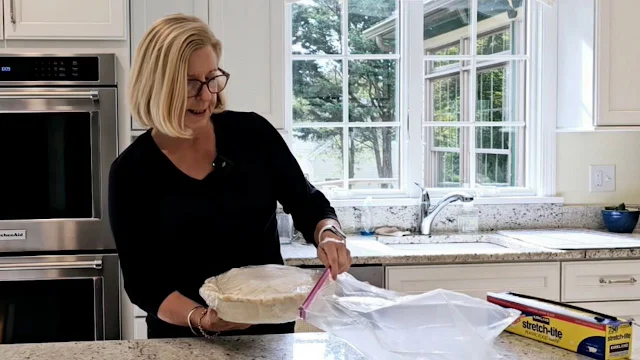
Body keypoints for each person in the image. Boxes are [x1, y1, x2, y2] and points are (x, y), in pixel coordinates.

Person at [108, 14, 352, 339]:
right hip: (184, 340)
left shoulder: (253, 134)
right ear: (158, 84)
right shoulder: (132, 171)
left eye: (212, 78)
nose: (207, 95)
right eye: (190, 82)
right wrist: (202, 319)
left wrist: (329, 234)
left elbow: (308, 204)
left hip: (269, 336)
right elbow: (144, 284)